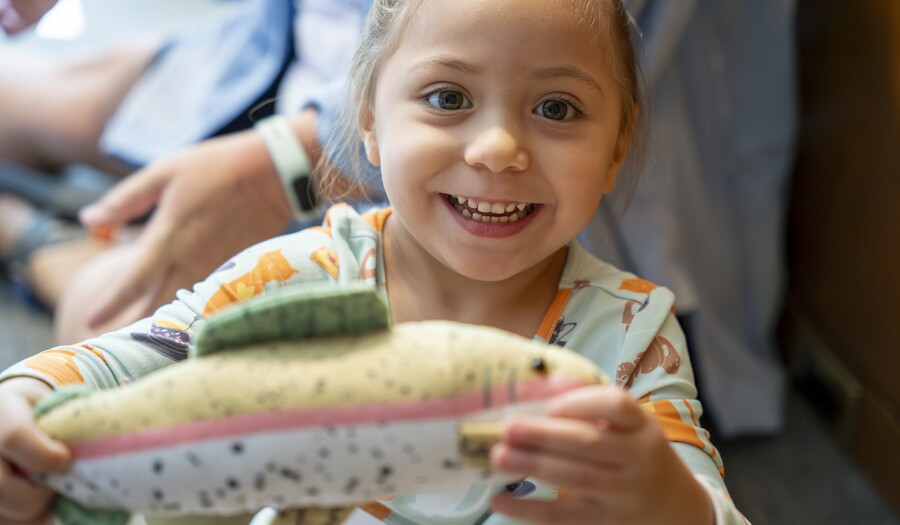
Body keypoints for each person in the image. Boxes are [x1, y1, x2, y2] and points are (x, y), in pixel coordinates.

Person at [0, 1, 749, 524]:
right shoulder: (307, 271)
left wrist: (667, 502)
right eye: (448, 97)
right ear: (368, 126)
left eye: (556, 109)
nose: (496, 148)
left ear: (617, 147)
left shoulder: (631, 339)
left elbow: (705, 504)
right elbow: (130, 358)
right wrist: (25, 395)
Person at [0, 0, 374, 342]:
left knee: (109, 327)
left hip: (361, 170)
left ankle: (36, 239)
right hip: (267, 60)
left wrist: (277, 168)